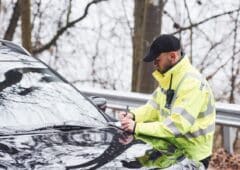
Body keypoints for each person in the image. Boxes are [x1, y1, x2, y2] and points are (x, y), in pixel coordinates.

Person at [119, 34, 216, 169]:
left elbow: (175, 127)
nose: (154, 64)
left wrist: (136, 127)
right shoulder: (169, 78)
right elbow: (153, 108)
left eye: (157, 59)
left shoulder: (191, 83)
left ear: (172, 56)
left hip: (192, 156)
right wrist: (133, 115)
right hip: (170, 149)